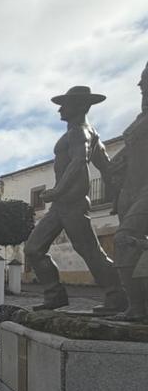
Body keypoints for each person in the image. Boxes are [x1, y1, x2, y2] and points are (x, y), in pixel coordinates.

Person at [23, 86, 126, 313]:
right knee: (33, 249)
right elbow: (107, 168)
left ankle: (117, 296)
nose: (60, 109)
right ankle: (55, 296)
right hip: (62, 205)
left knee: (89, 250)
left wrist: (57, 191)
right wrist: (118, 192)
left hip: (72, 203)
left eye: (65, 104)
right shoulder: (88, 133)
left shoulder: (80, 132)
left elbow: (79, 162)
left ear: (80, 106)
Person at [108, 62, 148, 321]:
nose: (144, 93)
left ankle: (137, 308)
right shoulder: (139, 119)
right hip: (129, 190)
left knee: (125, 238)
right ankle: (136, 308)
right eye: (143, 88)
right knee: (126, 248)